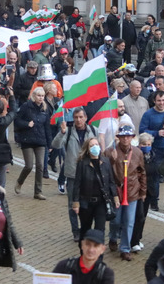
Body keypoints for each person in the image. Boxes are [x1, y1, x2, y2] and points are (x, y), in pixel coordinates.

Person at [52, 107, 100, 241]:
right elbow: (55, 145)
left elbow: (99, 149)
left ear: (85, 118)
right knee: (73, 204)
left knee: (88, 203)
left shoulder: (93, 131)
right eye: (76, 117)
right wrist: (61, 133)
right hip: (73, 173)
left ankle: (87, 229)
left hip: (89, 172)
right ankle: (75, 231)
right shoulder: (67, 132)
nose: (78, 120)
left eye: (81, 117)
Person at [71, 136, 119, 250]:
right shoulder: (83, 163)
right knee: (85, 229)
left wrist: (115, 197)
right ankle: (84, 252)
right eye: (92, 146)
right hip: (86, 202)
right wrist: (76, 202)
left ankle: (98, 256)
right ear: (87, 149)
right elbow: (77, 183)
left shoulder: (105, 161)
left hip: (101, 202)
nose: (95, 147)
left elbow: (111, 181)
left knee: (100, 230)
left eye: (96, 145)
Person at [105, 125, 145, 261]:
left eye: (128, 136)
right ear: (119, 137)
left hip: (132, 192)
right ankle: (113, 237)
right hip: (117, 191)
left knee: (129, 221)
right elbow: (104, 169)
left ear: (132, 137)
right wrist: (111, 159)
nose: (126, 139)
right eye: (123, 136)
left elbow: (142, 172)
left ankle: (125, 248)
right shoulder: (110, 151)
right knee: (116, 220)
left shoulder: (138, 153)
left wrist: (143, 191)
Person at [14, 87, 52, 200]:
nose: (41, 98)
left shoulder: (44, 109)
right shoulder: (26, 106)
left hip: (40, 140)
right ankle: (20, 181)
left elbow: (47, 128)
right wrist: (26, 124)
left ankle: (38, 192)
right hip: (27, 140)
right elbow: (16, 120)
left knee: (40, 165)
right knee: (29, 165)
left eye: (42, 96)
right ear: (34, 96)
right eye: (39, 95)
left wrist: (50, 144)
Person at [51, 229, 115, 284]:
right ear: (82, 245)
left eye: (96, 246)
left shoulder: (105, 274)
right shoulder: (64, 266)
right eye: (88, 244)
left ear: (103, 249)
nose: (91, 249)